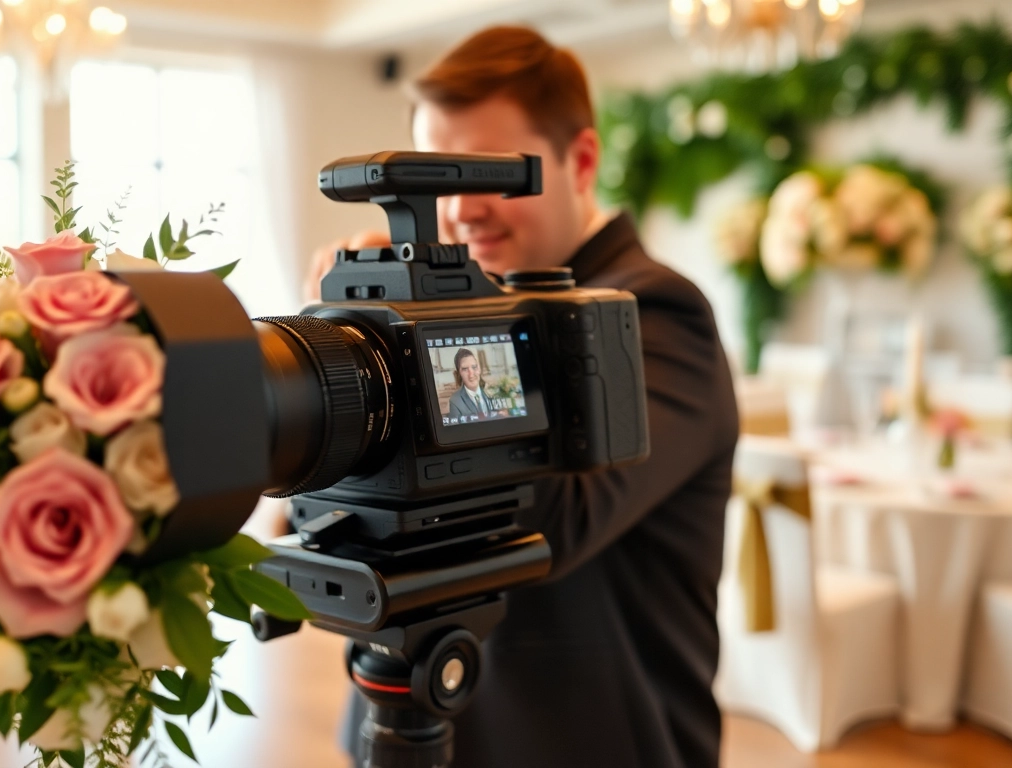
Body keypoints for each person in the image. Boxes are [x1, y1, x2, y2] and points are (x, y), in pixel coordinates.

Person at [317, 25, 741, 768]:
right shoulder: (445, 314)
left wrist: (401, 359)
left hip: (584, 739)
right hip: (411, 723)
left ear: (580, 161)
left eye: (481, 174)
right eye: (437, 181)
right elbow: (332, 521)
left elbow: (559, 518)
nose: (459, 212)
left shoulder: (656, 313)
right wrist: (345, 368)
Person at [447, 348, 492, 420]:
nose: (471, 375)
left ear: (479, 369)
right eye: (465, 369)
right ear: (459, 374)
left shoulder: (492, 392)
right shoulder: (455, 401)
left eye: (474, 367)